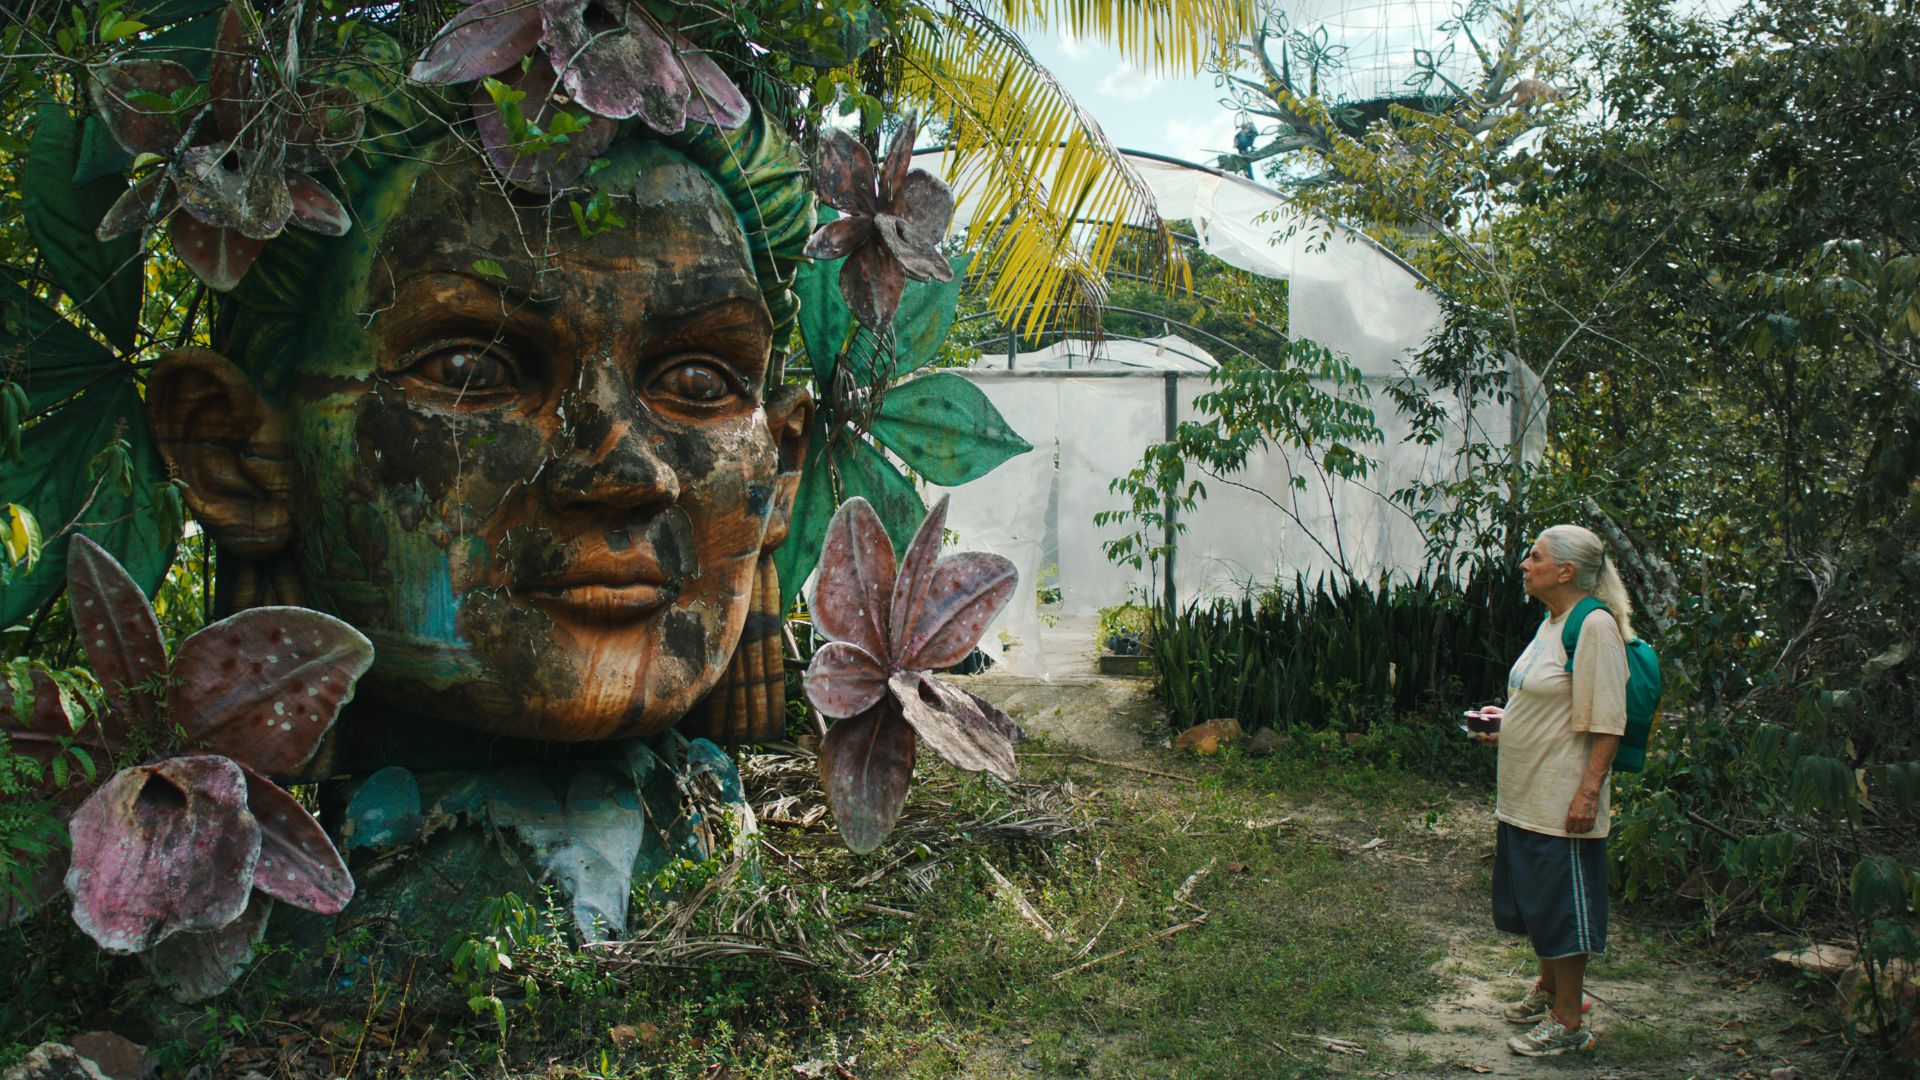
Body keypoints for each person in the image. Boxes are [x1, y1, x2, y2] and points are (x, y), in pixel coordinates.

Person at [1469, 524, 1631, 1056]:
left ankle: (1570, 1021)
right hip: (1526, 794)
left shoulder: (1594, 627)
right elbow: (1547, 696)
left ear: (1566, 571)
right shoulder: (1552, 622)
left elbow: (1607, 720)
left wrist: (1588, 794)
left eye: (1533, 557)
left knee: (1562, 908)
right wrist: (1506, 719)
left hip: (1563, 799)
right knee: (1538, 901)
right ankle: (1549, 990)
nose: (1524, 564)